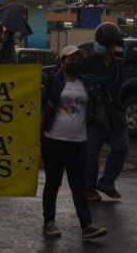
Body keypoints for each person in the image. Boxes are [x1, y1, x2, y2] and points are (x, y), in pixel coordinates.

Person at [41, 45, 108, 240]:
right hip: (54, 141)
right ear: (62, 63)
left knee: (78, 185)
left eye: (79, 60)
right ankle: (49, 222)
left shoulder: (88, 83)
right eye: (71, 60)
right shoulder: (53, 82)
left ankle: (87, 225)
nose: (75, 64)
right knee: (53, 183)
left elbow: (103, 97)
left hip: (79, 142)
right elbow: (39, 103)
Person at [83, 22, 128, 201]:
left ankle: (107, 182)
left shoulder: (118, 64)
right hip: (95, 114)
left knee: (121, 148)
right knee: (92, 153)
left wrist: (100, 81)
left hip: (115, 114)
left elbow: (115, 83)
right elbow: (84, 81)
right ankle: (88, 187)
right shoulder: (88, 62)